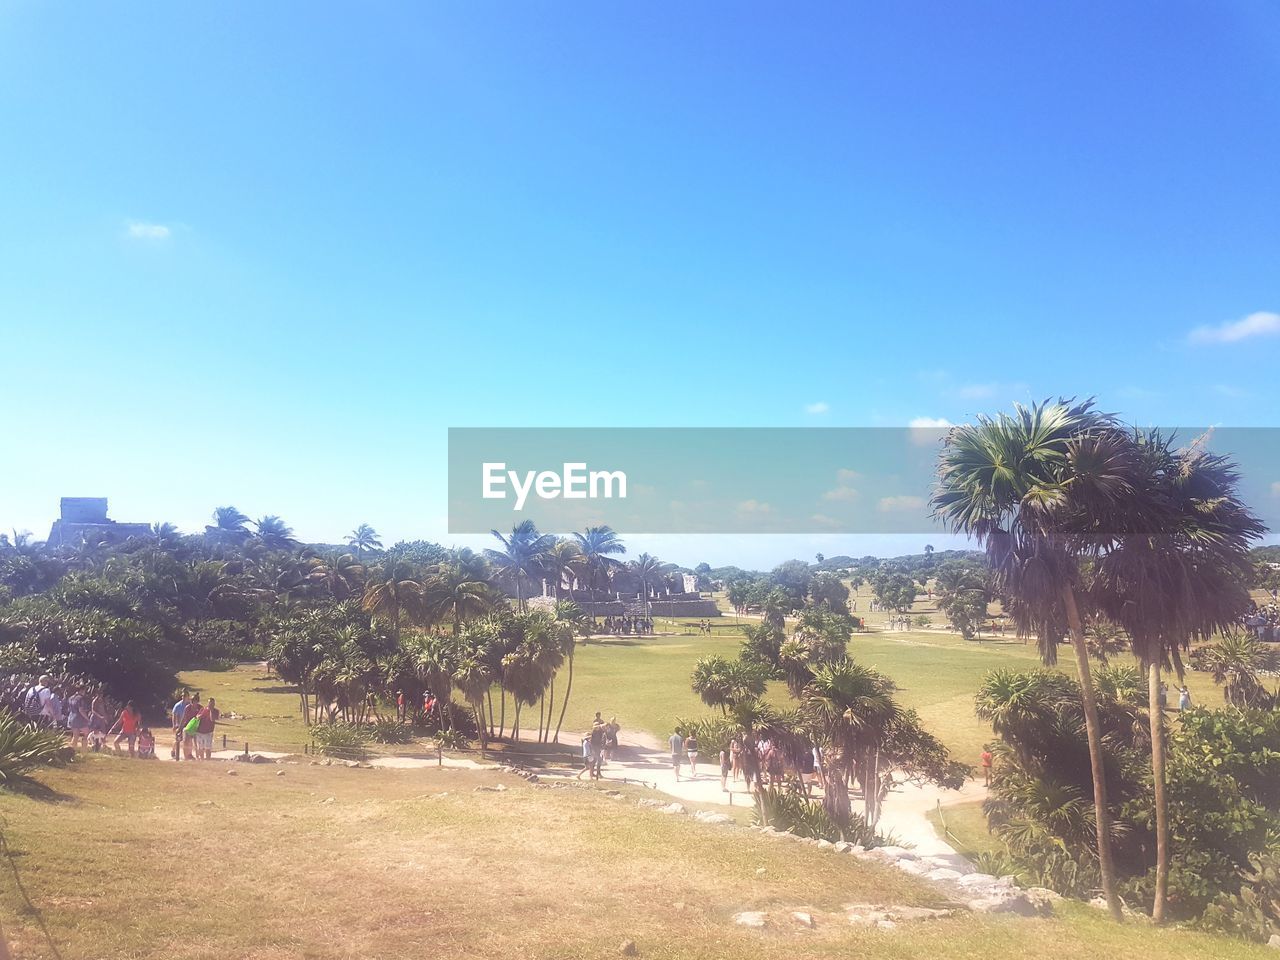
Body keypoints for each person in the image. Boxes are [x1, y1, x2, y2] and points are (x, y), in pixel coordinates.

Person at [171, 691, 193, 761]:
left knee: (188, 740)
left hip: (187, 725)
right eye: (182, 696)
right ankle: (173, 750)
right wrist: (174, 725)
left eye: (185, 696)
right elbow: (174, 715)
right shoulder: (178, 705)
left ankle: (189, 753)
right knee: (178, 740)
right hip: (179, 724)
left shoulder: (190, 705)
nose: (183, 698)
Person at [183, 694, 202, 759]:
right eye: (193, 701)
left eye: (196, 701)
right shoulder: (187, 708)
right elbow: (184, 718)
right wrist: (179, 728)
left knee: (196, 743)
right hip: (188, 727)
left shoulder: (200, 708)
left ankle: (198, 756)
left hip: (196, 728)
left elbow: (202, 718)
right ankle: (187, 756)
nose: (194, 703)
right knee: (186, 742)